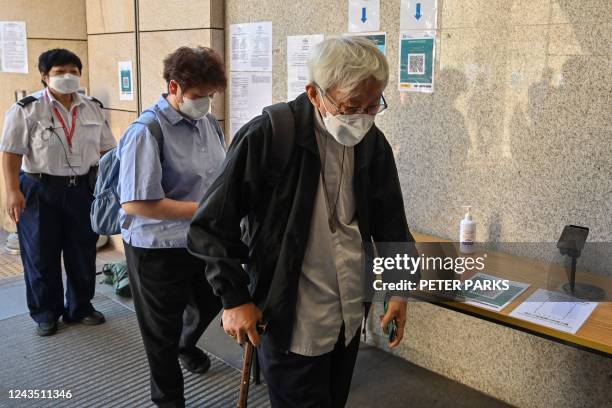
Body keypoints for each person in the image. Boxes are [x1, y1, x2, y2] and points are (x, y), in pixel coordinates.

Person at [188, 37, 415, 407]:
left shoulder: (372, 143)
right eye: (351, 106)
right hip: (291, 319)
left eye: (374, 105)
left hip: (348, 314)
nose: (362, 117)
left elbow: (391, 220)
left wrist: (399, 287)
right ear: (313, 93)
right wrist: (234, 298)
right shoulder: (269, 135)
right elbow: (211, 223)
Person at [116, 46, 226, 408]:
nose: (206, 102)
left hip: (199, 241)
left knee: (212, 301)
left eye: (211, 95)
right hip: (156, 249)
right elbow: (135, 203)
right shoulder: (146, 131)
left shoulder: (208, 123)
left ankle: (186, 342)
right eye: (199, 96)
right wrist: (204, 209)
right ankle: (168, 400)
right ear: (174, 87)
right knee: (159, 334)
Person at [1, 48, 116, 336]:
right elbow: (11, 152)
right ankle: (46, 312)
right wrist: (12, 190)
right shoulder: (26, 109)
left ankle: (80, 307)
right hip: (40, 189)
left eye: (73, 72)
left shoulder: (92, 107)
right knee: (41, 254)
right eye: (59, 72)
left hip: (83, 190)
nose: (67, 77)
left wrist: (112, 187)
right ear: (44, 77)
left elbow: (108, 150)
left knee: (82, 251)